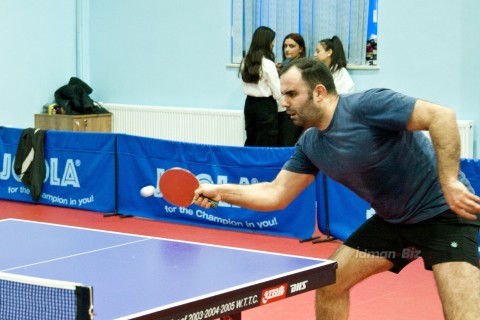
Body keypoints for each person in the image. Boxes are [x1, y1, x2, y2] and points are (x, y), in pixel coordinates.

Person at [195, 58, 480, 320]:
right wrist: (220, 191)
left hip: (444, 214)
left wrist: (449, 180)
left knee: (463, 314)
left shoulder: (367, 106)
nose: (284, 103)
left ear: (319, 92)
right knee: (330, 281)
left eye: (292, 94)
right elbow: (275, 193)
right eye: (283, 95)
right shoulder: (311, 144)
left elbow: (441, 116)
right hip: (394, 223)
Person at [239, 26, 281, 147]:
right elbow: (278, 93)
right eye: (272, 41)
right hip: (265, 106)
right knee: (266, 141)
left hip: (250, 105)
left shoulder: (245, 61)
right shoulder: (268, 64)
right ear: (267, 42)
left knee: (251, 138)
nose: (273, 44)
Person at [277, 33, 306, 146]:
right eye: (285, 46)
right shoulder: (283, 65)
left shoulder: (302, 67)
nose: (287, 49)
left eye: (291, 46)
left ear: (301, 49)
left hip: (295, 111)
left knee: (288, 144)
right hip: (282, 110)